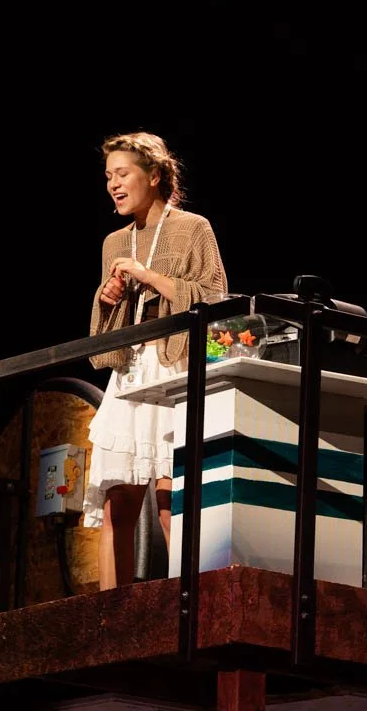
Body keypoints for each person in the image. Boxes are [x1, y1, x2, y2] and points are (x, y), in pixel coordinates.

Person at [82, 131, 229, 590]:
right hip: (130, 372)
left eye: (123, 174)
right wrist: (107, 299)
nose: (113, 184)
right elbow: (106, 325)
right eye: (108, 176)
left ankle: (191, 609)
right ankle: (112, 619)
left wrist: (150, 276)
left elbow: (215, 298)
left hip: (175, 367)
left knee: (173, 498)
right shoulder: (113, 241)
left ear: (156, 174)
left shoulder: (193, 227)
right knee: (116, 503)